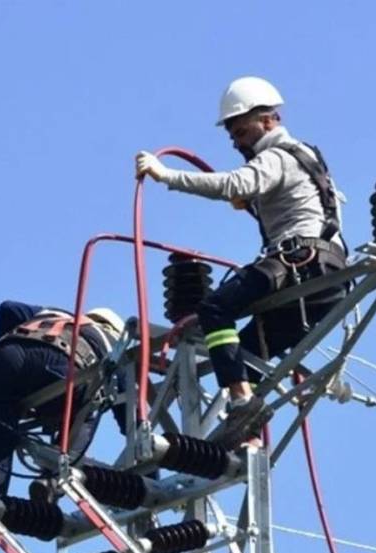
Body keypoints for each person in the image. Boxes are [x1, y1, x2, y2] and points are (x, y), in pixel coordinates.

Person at [135, 76, 349, 448]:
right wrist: (254, 201)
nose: (236, 141)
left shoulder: (276, 156)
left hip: (297, 262)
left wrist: (164, 174)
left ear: (270, 120)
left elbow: (234, 184)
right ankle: (248, 435)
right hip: (328, 278)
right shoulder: (308, 157)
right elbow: (302, 201)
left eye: (241, 129)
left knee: (215, 310)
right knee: (246, 356)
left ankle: (239, 401)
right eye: (231, 134)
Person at [0, 300, 126, 553]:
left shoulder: (52, 314)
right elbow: (128, 412)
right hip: (63, 366)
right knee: (94, 403)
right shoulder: (113, 344)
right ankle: (51, 480)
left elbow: (7, 307)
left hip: (5, 359)